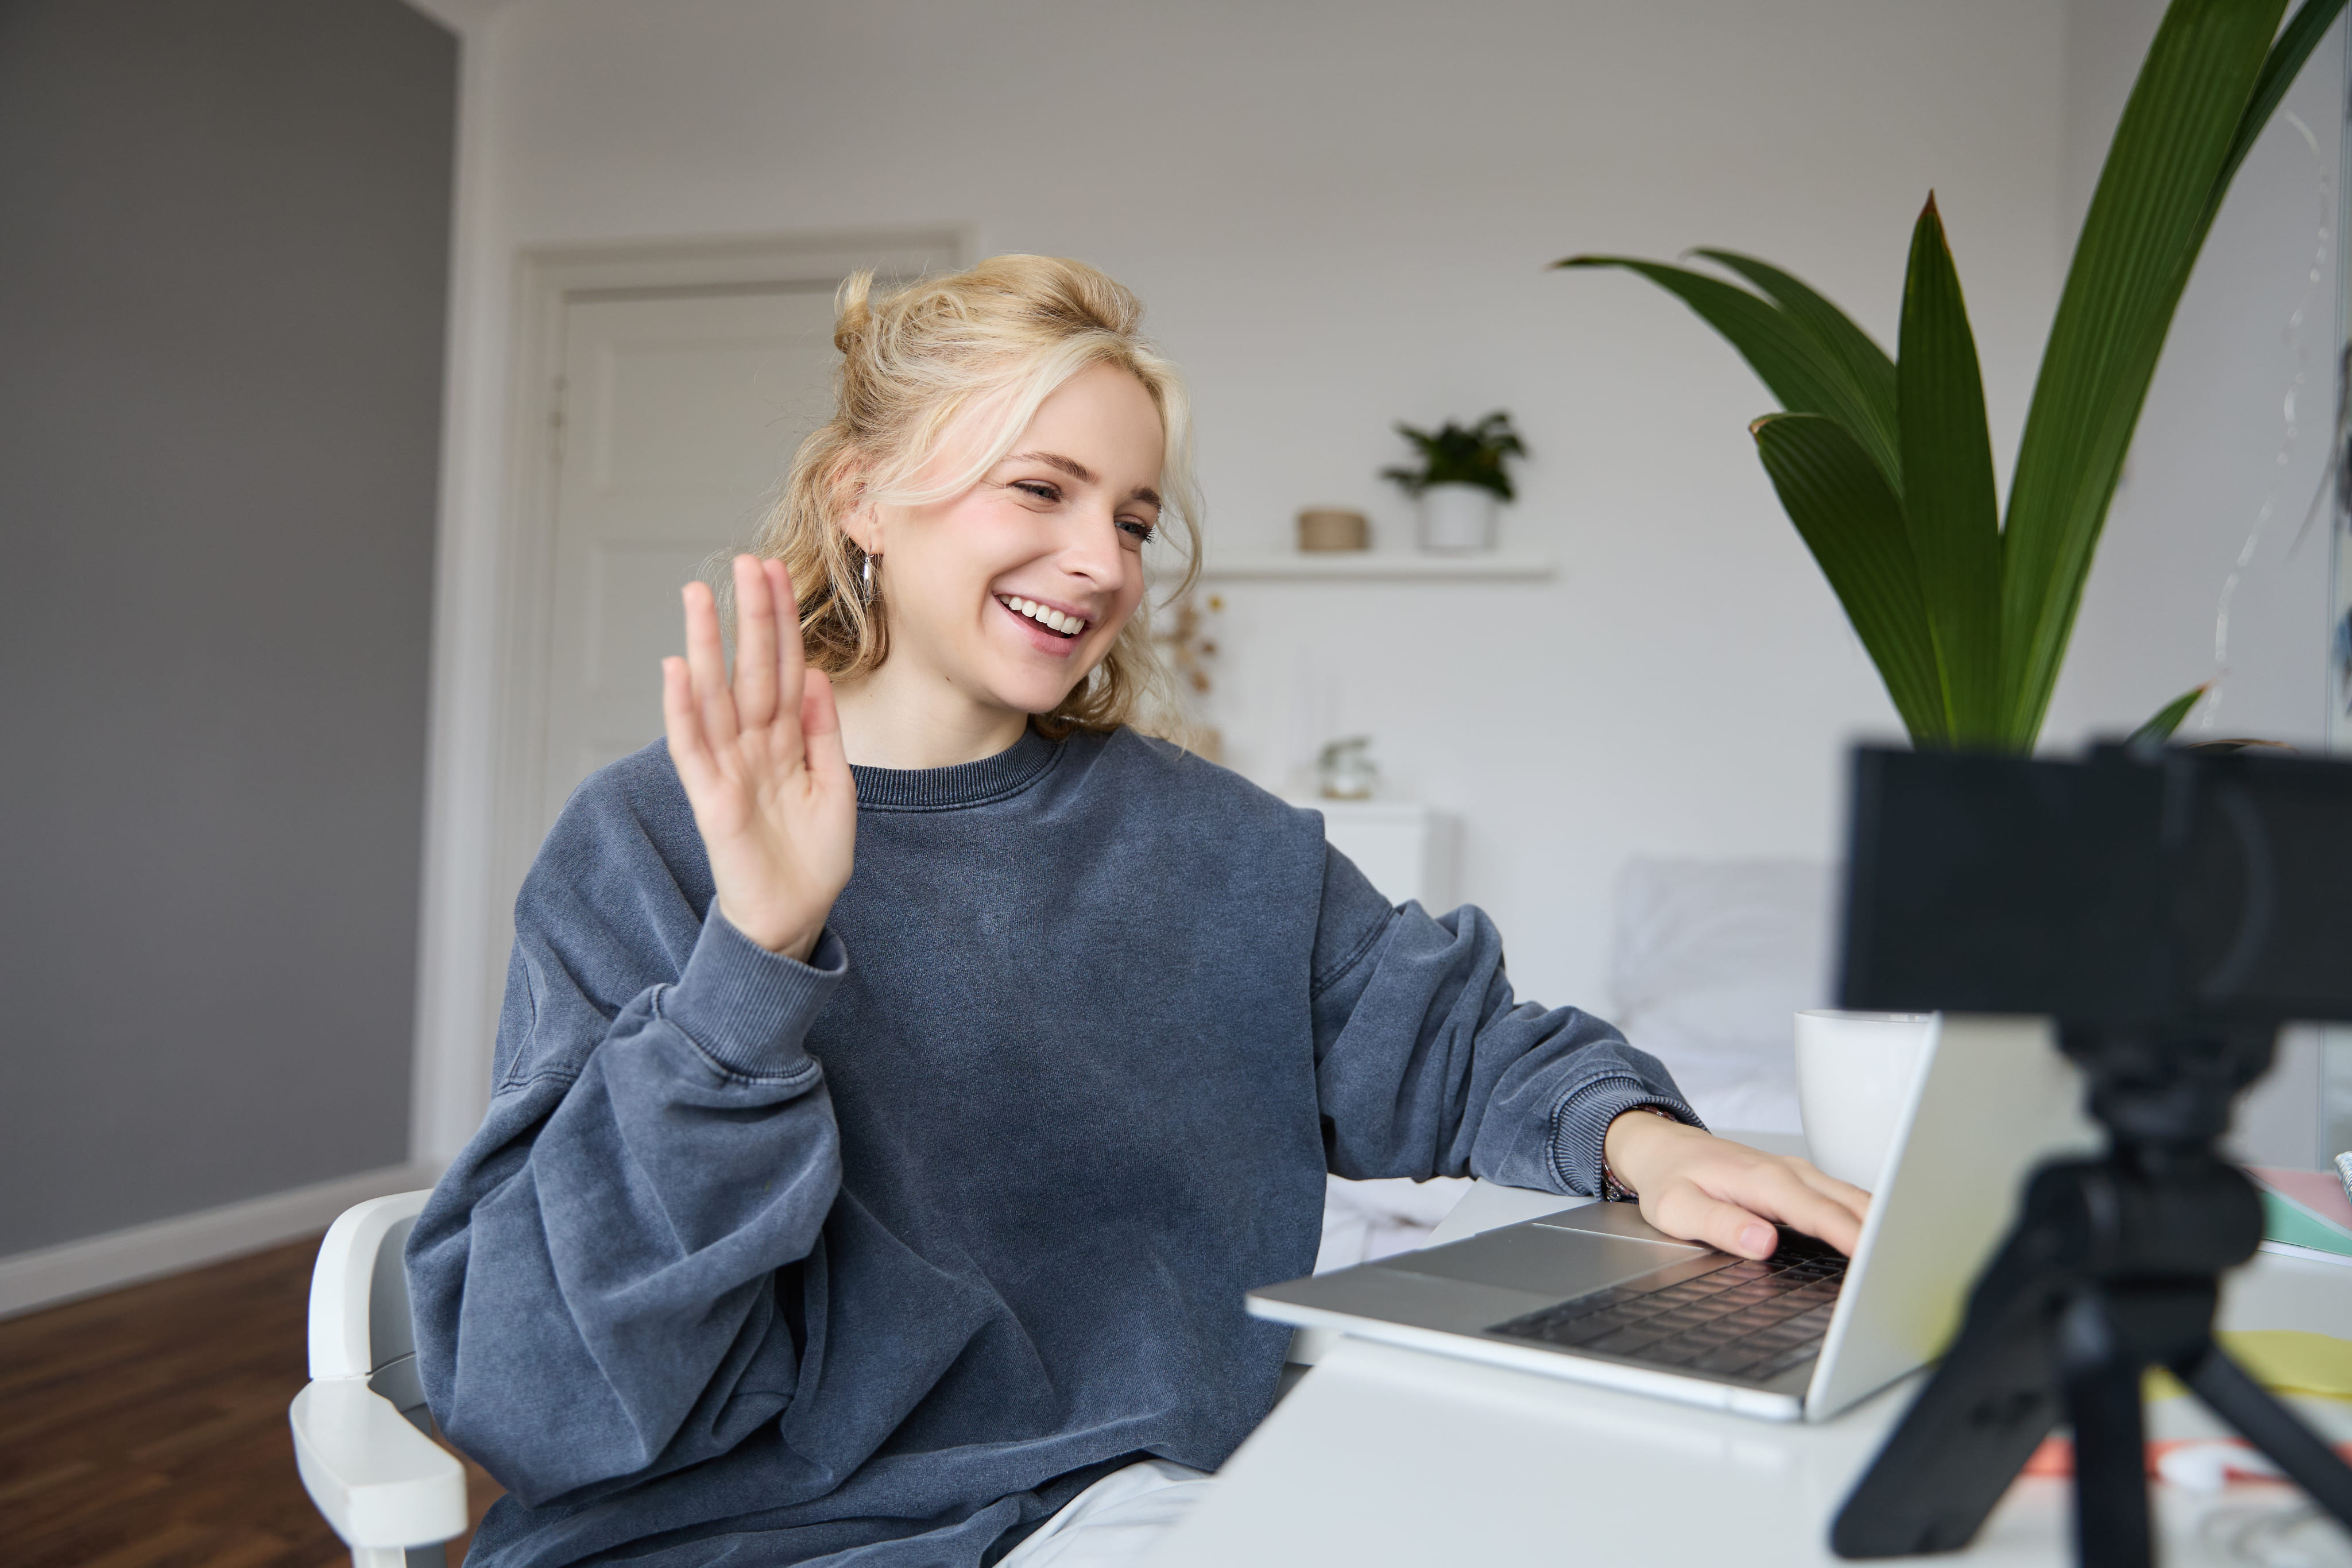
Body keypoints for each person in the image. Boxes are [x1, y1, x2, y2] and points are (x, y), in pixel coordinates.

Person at [408, 255, 1870, 1568]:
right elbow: (535, 1389)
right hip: (751, 1532)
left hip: (1124, 1496)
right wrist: (754, 958)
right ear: (861, 496)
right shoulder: (648, 842)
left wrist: (1645, 1140)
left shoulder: (1216, 846)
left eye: (1132, 515)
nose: (1103, 563)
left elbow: (1450, 1042)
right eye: (1038, 491)